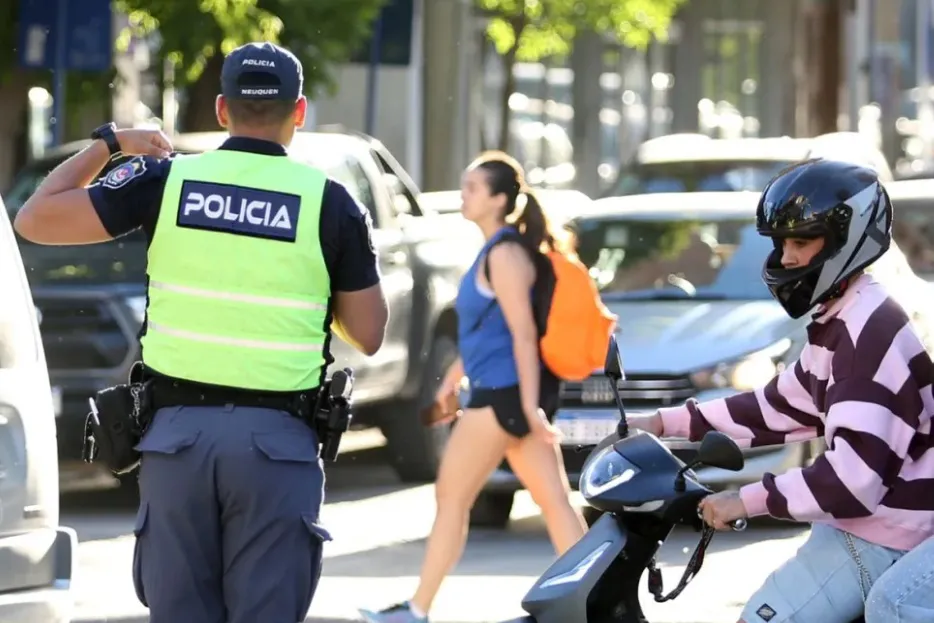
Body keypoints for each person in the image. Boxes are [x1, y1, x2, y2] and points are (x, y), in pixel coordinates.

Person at [14, 42, 388, 623]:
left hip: (176, 445)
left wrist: (112, 144)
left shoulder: (168, 182)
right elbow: (368, 333)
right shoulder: (330, 204)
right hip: (278, 449)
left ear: (221, 110)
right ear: (299, 111)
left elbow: (34, 218)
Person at [627, 159, 934, 623]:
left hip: (895, 535)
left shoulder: (867, 334)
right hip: (868, 531)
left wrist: (743, 499)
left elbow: (854, 480)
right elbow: (778, 406)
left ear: (843, 241)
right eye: (781, 243)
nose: (786, 257)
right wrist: (665, 423)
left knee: (892, 607)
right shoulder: (844, 317)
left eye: (801, 241)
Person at [359, 151, 588, 623]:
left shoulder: (504, 254)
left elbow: (523, 334)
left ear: (500, 200)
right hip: (501, 396)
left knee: (452, 497)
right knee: (555, 503)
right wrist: (456, 374)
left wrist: (529, 408)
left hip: (502, 400)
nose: (463, 196)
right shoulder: (495, 251)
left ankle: (417, 609)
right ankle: (599, 601)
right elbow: (491, 327)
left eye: (472, 189)